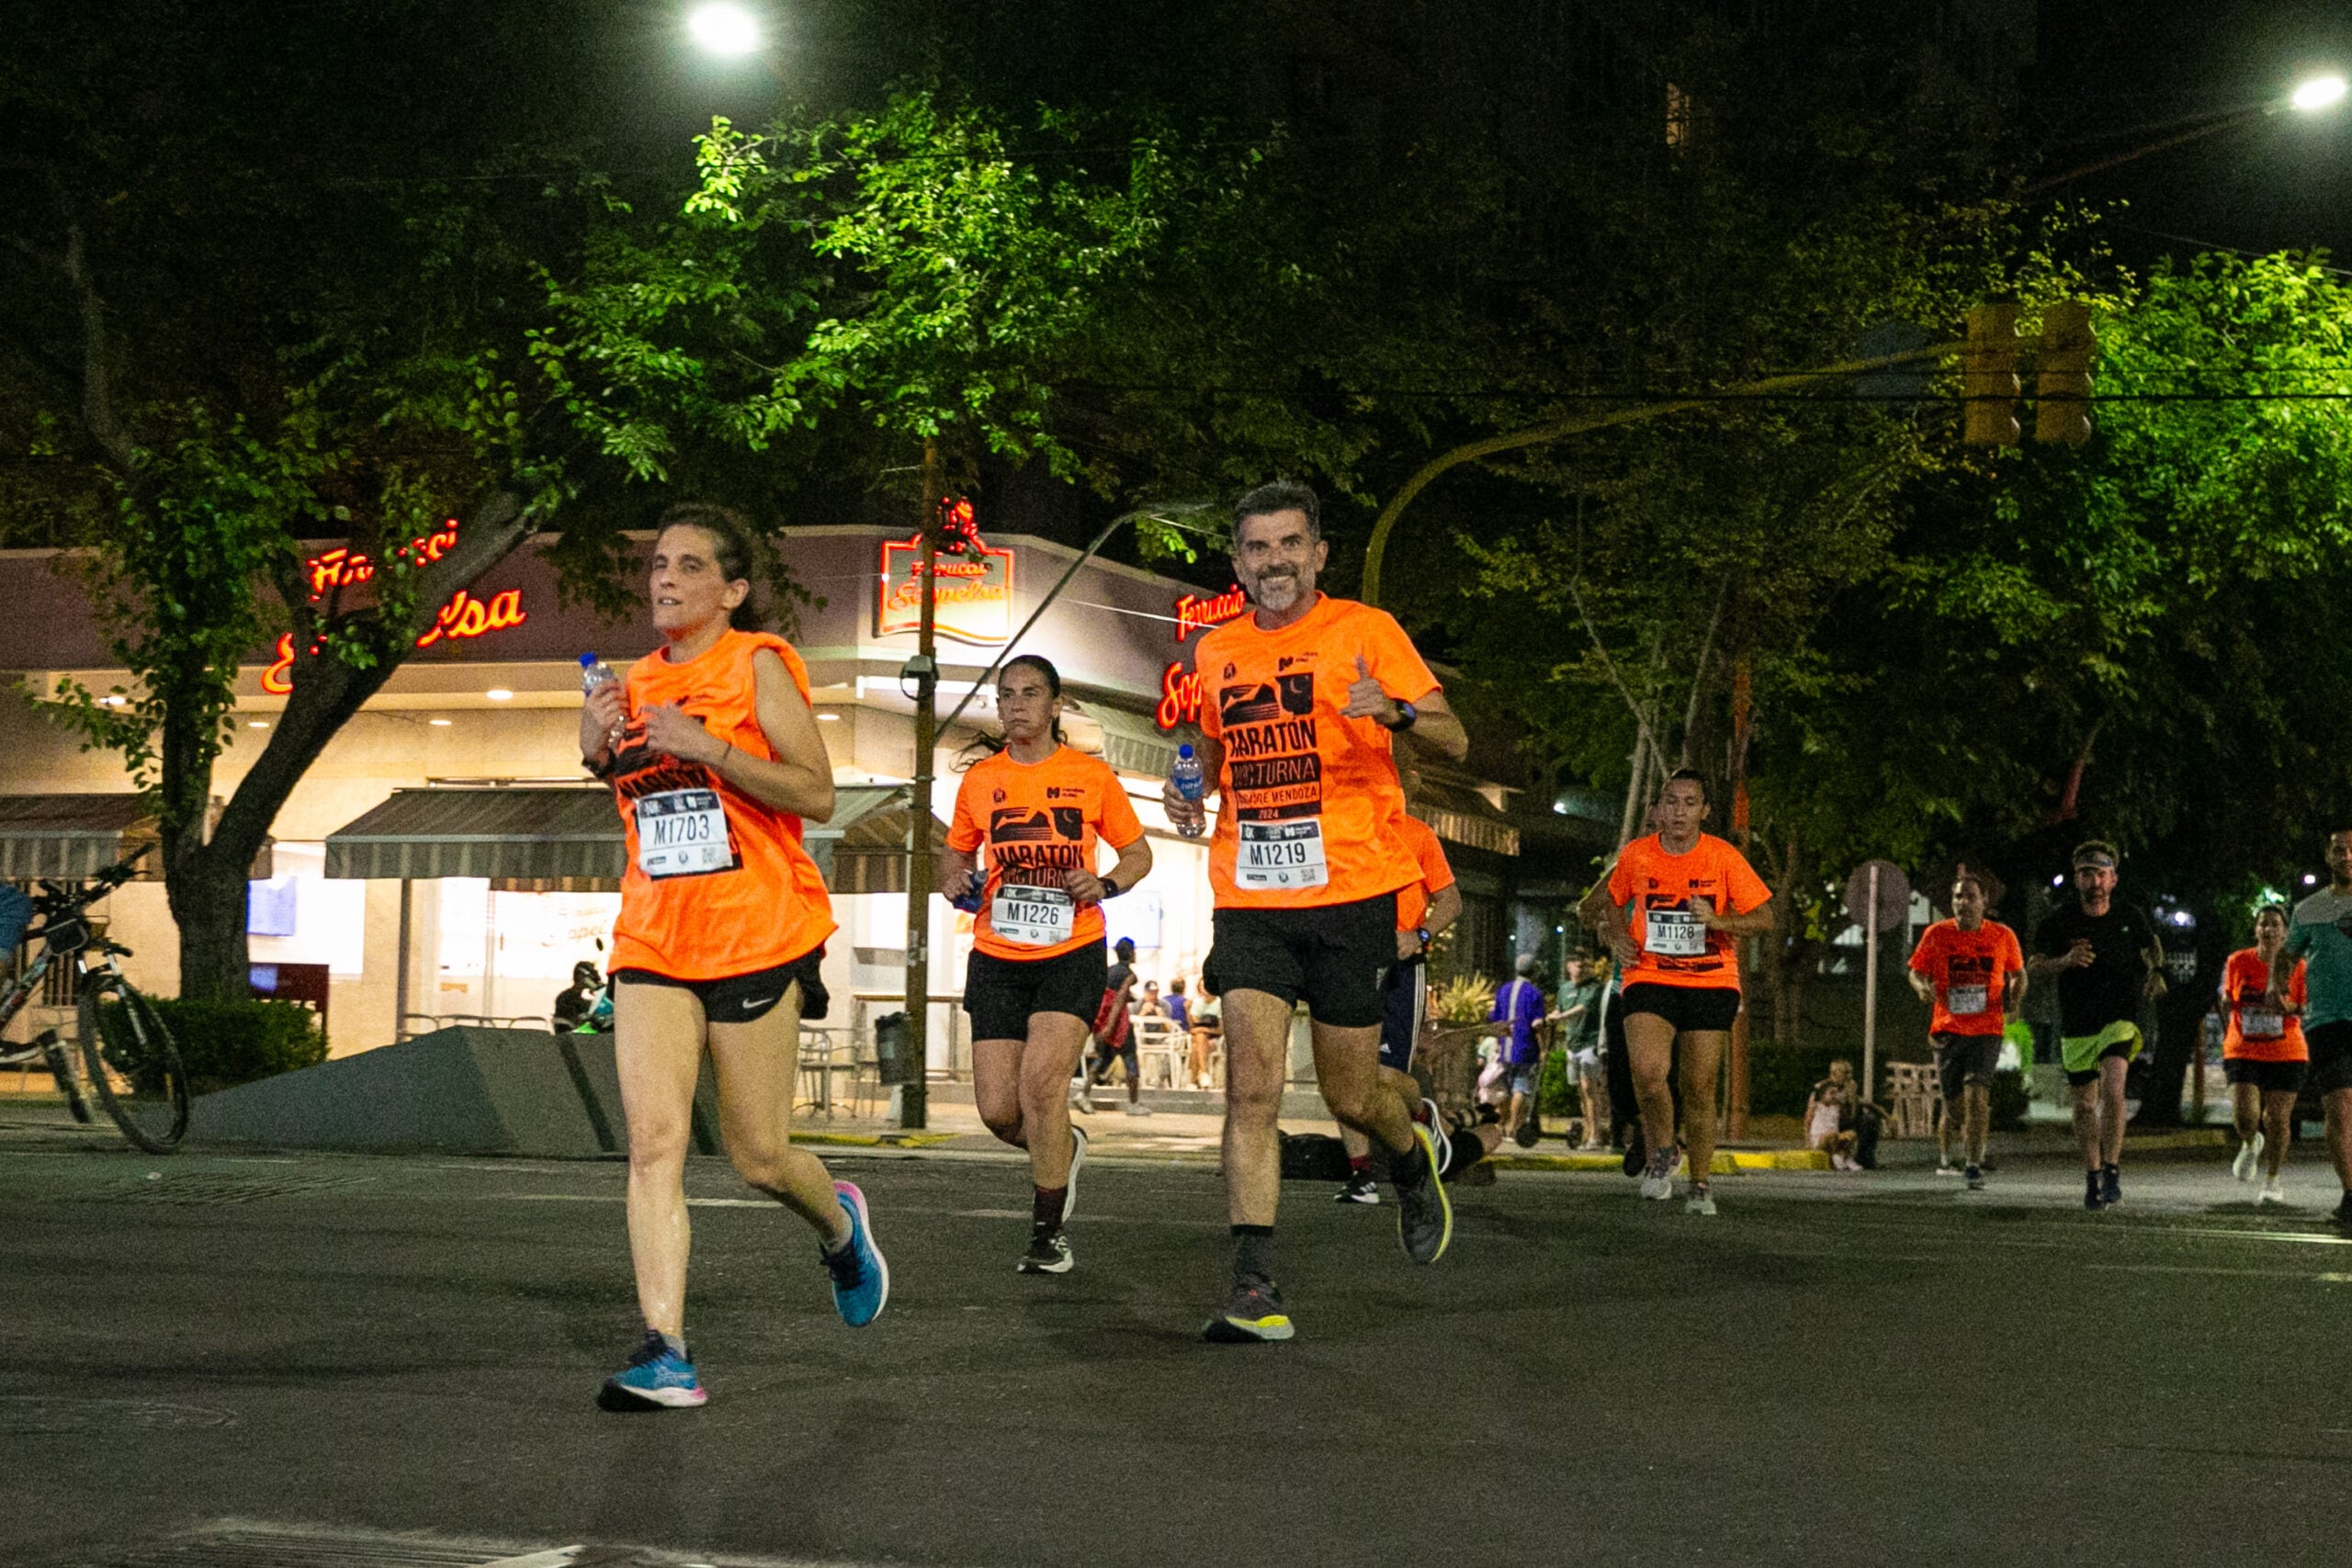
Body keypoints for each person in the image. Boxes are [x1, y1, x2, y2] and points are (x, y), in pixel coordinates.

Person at [579, 503, 886, 1412]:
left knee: (757, 1157)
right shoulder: (632, 680)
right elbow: (627, 784)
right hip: (653, 936)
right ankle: (664, 1350)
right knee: (653, 1146)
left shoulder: (757, 664)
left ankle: (840, 1228)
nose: (663, 580)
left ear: (733, 589)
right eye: (657, 564)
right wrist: (598, 743)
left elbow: (818, 792)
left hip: (754, 932)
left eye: (686, 566)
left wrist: (708, 745)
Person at [1164, 479, 1469, 1342]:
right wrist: (1190, 793)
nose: (1274, 563)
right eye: (1257, 549)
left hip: (1351, 895)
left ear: (1318, 553)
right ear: (1237, 561)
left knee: (1350, 1094)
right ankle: (1255, 1285)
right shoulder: (1214, 653)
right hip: (1251, 897)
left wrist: (1401, 711)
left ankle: (1409, 1158)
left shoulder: (1366, 633)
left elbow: (1455, 735)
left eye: (1290, 545)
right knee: (1251, 1090)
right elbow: (1214, 754)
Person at [943, 654, 1153, 1275]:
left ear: (1055, 705)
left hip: (1072, 950)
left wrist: (1107, 883)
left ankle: (1048, 1235)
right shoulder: (981, 781)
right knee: (999, 1111)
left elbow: (1137, 852)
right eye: (1006, 695)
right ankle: (1065, 1144)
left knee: (1041, 1087)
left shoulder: (1090, 775)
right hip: (998, 954)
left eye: (1031, 693)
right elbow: (951, 863)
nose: (1016, 705)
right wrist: (959, 884)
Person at [1602, 769, 1775, 1216]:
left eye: (1689, 802)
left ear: (1705, 811)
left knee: (1699, 1086)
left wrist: (1720, 922)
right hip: (1649, 973)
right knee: (1647, 1071)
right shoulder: (1637, 855)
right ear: (1659, 809)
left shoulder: (1723, 857)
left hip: (1709, 978)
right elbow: (1610, 900)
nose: (1679, 811)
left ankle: (1700, 1183)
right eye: (1672, 802)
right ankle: (1662, 1154)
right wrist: (1617, 935)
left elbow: (1765, 918)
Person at [2028, 840, 2164, 1211]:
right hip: (2077, 1021)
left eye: (2101, 874)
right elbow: (2034, 967)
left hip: (2120, 1016)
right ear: (2077, 879)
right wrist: (2066, 961)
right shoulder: (2059, 920)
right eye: (2087, 874)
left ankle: (2113, 1168)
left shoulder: (2128, 915)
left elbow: (2151, 945)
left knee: (2114, 1086)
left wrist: (2158, 971)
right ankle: (2092, 1174)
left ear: (2113, 879)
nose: (2095, 881)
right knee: (2085, 1106)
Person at [1336, 812, 1462, 1204]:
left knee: (1385, 1075)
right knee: (1344, 1074)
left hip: (1402, 967)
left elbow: (1451, 902)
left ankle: (1423, 1116)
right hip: (1350, 961)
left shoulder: (1418, 835)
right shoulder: (1340, 825)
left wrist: (1419, 935)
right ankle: (1362, 1176)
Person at [1906, 872, 2027, 1191]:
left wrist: (2013, 1001)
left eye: (1971, 896)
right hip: (1948, 1029)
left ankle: (1974, 1164)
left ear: (1984, 902)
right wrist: (1921, 987)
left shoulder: (2002, 936)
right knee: (1956, 1108)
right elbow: (1916, 972)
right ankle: (1959, 1149)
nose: (1963, 903)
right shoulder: (1936, 934)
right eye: (1958, 896)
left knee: (1977, 1097)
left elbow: (2019, 975)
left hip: (1987, 1028)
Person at [2275, 829, 2352, 1230]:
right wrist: (2279, 990)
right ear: (2329, 856)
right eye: (2340, 849)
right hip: (2328, 1020)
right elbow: (2287, 957)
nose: (2347, 855)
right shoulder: (2309, 909)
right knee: (2338, 1109)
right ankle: (2351, 1195)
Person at [2221, 905, 2305, 1204]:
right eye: (2262, 924)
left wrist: (2289, 1007)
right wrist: (2231, 1034)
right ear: (2256, 930)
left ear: (2285, 932)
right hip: (2244, 1049)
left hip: (2286, 1051)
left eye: (2274, 925)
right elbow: (2226, 1001)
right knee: (2246, 1117)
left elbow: (2305, 1005)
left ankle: (2272, 1180)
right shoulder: (2238, 961)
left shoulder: (2298, 966)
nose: (2268, 930)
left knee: (2277, 1119)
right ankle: (2249, 1141)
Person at [1078, 936, 1148, 1115]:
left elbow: (1107, 994)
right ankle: (1133, 1103)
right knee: (1130, 1058)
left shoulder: (1109, 971)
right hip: (1118, 1023)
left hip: (1101, 1019)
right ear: (1131, 953)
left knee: (1103, 1058)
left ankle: (1083, 1094)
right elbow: (1119, 999)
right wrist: (1111, 1025)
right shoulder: (1130, 975)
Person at [1489, 953, 1548, 1145]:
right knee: (1520, 1088)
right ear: (1534, 971)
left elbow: (1495, 1019)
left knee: (1505, 1089)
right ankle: (1513, 1128)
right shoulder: (1534, 993)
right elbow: (1537, 1024)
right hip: (1525, 1047)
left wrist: (1497, 1042)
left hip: (1505, 1047)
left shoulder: (1503, 990)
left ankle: (1501, 1125)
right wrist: (1544, 1046)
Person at [1555, 954, 1608, 1149]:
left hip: (1590, 1042)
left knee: (1589, 1087)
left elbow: (1583, 1008)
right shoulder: (1565, 989)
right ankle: (1588, 1131)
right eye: (1579, 965)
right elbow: (1558, 1009)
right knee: (1580, 1090)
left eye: (1586, 966)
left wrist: (1560, 1016)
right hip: (1572, 1043)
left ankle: (1596, 1135)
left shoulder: (1595, 987)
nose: (1583, 969)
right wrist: (1547, 1018)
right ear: (1569, 966)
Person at [1804, 1060, 1863, 1171]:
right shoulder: (1821, 1091)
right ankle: (1836, 1157)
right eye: (1845, 1072)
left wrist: (1851, 1099)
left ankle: (1847, 1158)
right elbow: (1808, 1119)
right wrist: (1807, 1142)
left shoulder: (1841, 1097)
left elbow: (1850, 1116)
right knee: (1832, 1135)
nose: (1848, 1076)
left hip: (1834, 1132)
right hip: (1821, 1137)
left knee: (1851, 1134)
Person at [1187, 980, 1224, 1089]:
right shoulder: (1197, 1003)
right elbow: (1192, 1029)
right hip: (1200, 1038)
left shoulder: (1219, 1003)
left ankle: (1193, 1081)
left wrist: (1203, 1029)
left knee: (1196, 1043)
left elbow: (1220, 1030)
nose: (1205, 989)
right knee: (1199, 1039)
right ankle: (1203, 1072)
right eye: (1202, 987)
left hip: (1215, 1038)